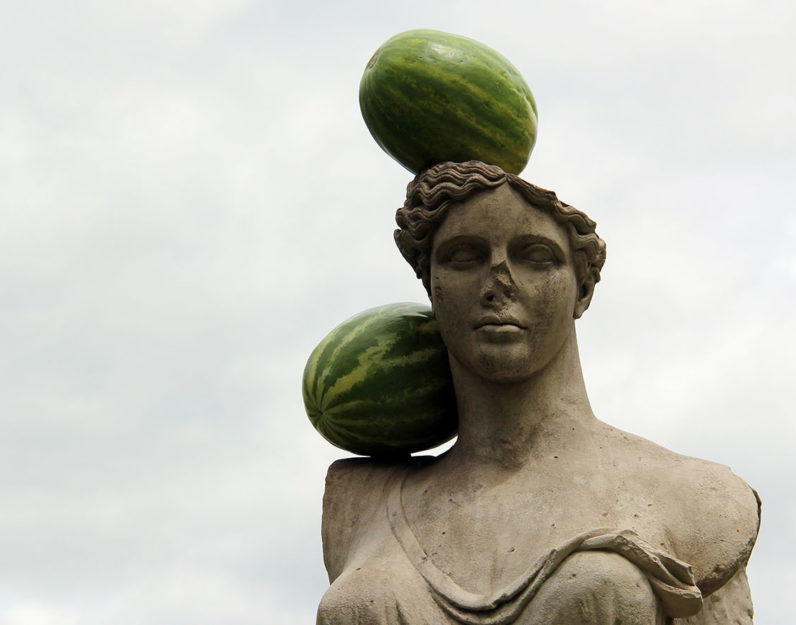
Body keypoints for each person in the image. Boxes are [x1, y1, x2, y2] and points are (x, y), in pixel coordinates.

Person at [317, 161, 760, 625]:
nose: (498, 283)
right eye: (463, 257)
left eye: (535, 256)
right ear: (431, 285)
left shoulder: (694, 496)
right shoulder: (362, 499)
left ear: (583, 289)